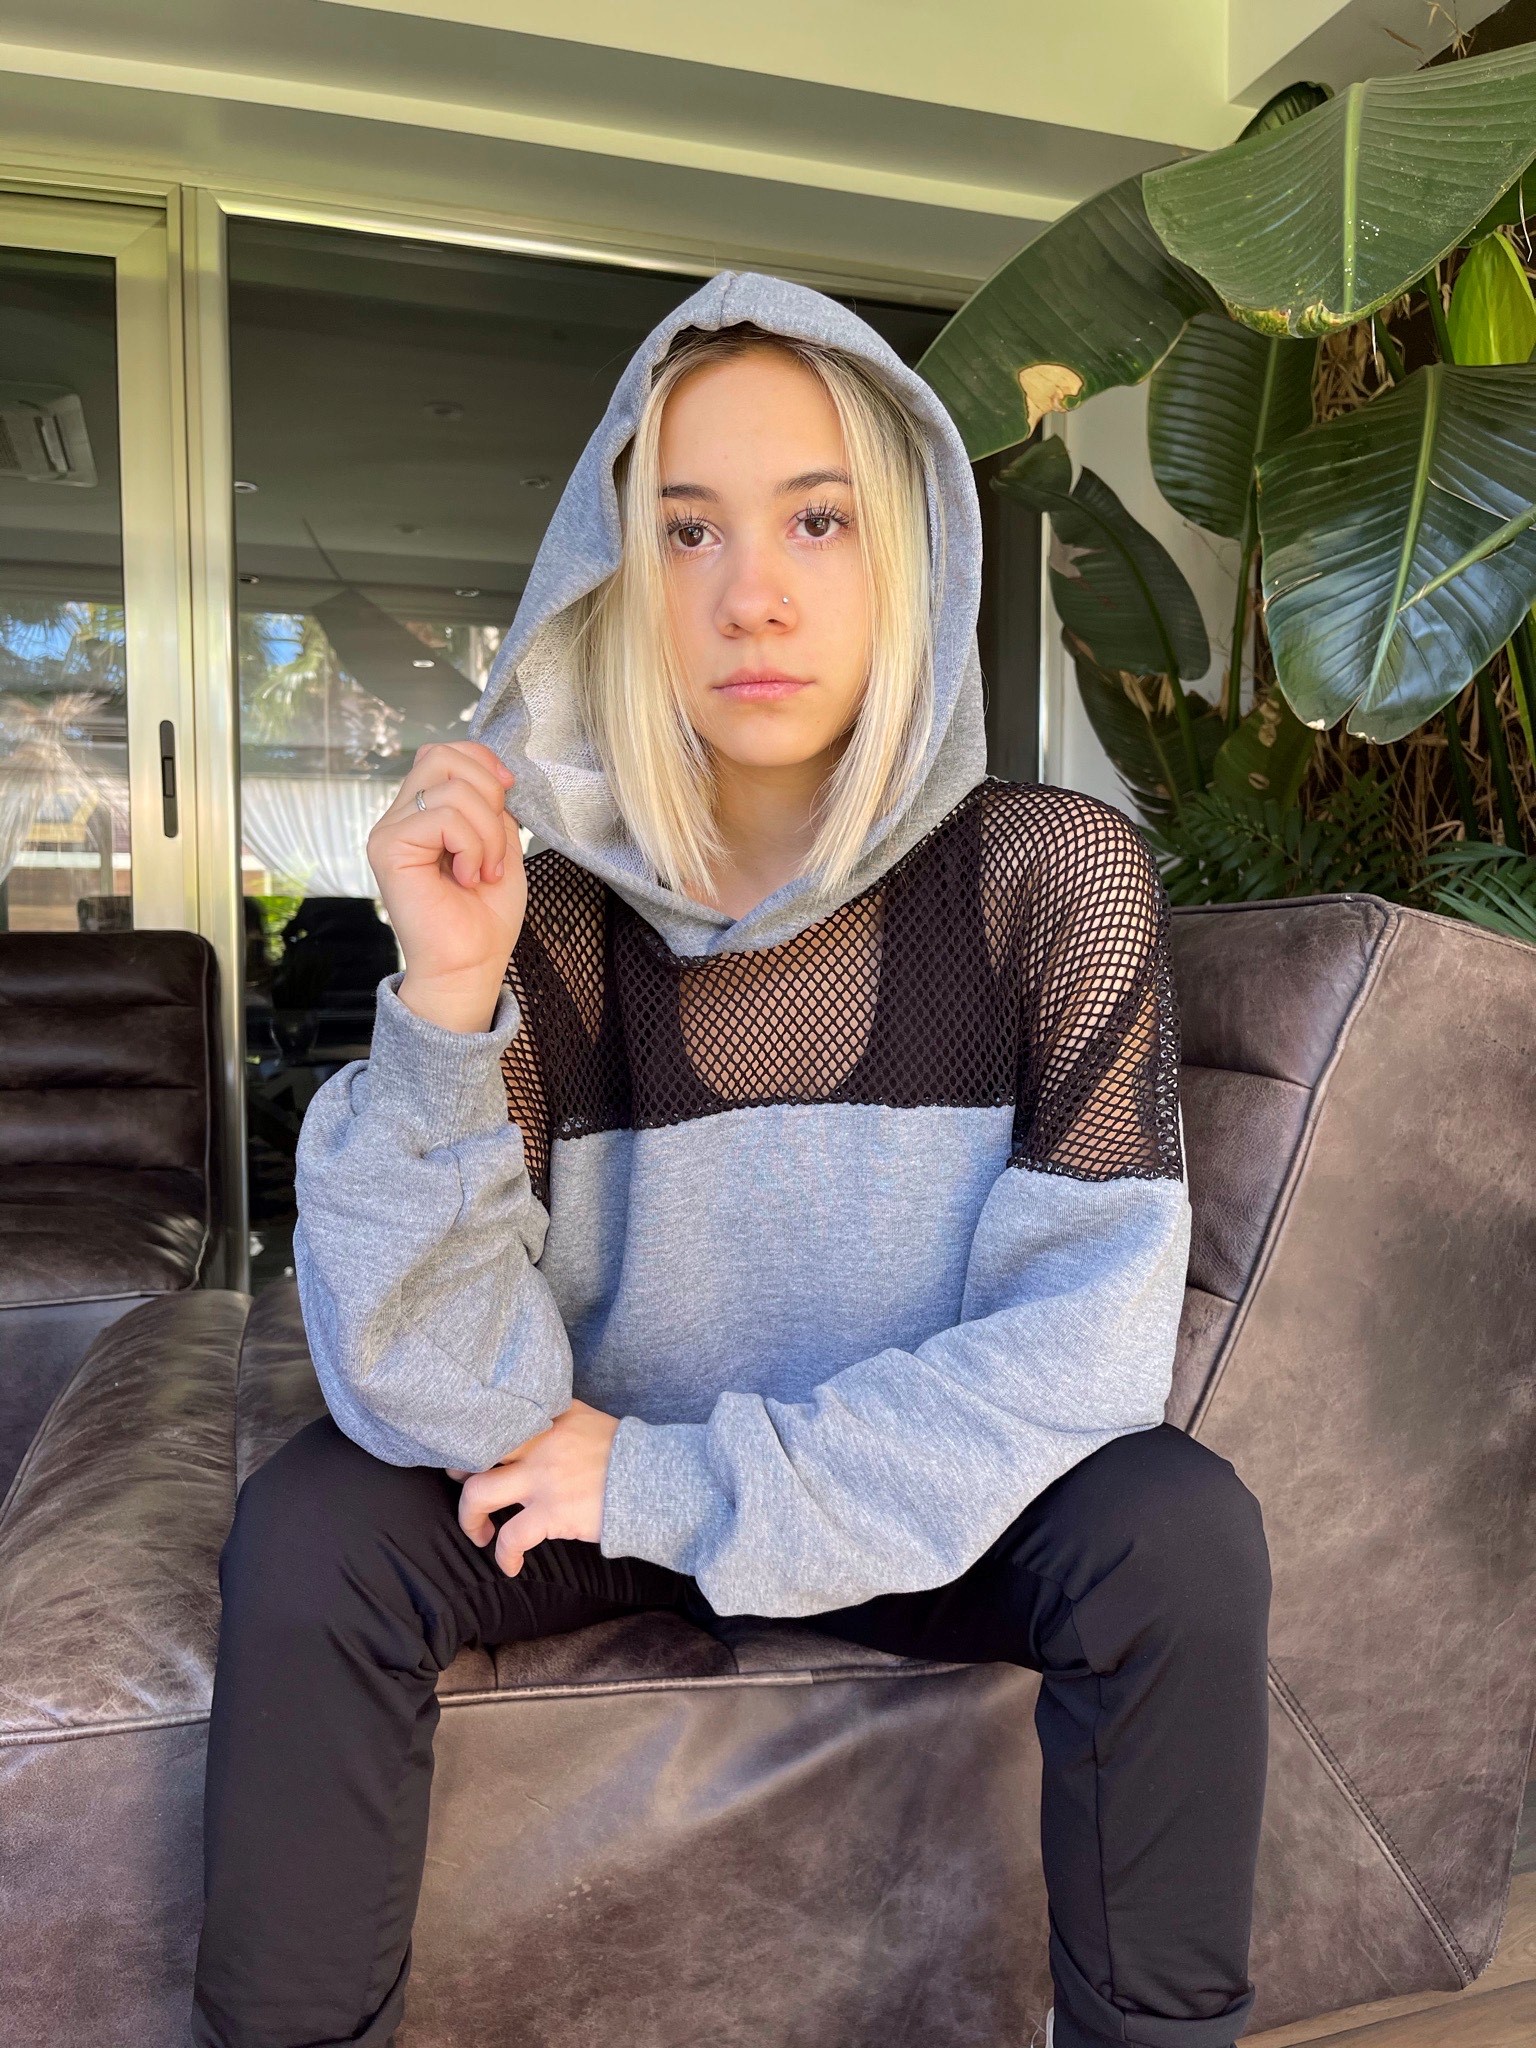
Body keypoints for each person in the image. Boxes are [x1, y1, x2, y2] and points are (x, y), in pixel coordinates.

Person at [191, 273, 1271, 2048]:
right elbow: (432, 1388)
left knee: (1175, 1527)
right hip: (589, 1492)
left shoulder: (1050, 878)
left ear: (909, 555)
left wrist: (677, 1482)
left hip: (903, 1500)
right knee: (319, 1523)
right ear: (622, 576)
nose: (748, 594)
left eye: (817, 521)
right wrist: (447, 1003)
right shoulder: (545, 921)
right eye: (687, 530)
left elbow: (1081, 1361)